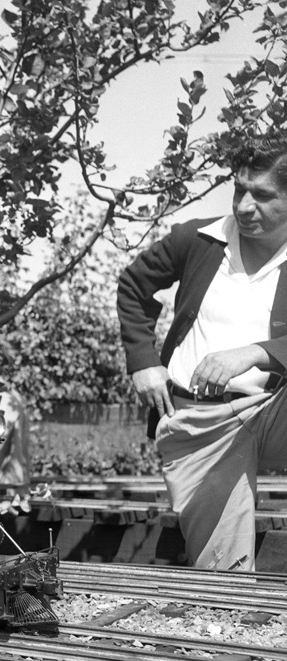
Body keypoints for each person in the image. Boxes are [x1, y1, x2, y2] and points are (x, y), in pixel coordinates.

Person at [117, 133, 287, 571]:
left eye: (263, 195)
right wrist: (143, 361)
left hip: (274, 411)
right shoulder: (198, 239)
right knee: (223, 574)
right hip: (201, 421)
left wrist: (255, 353)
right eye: (239, 189)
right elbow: (134, 286)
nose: (244, 206)